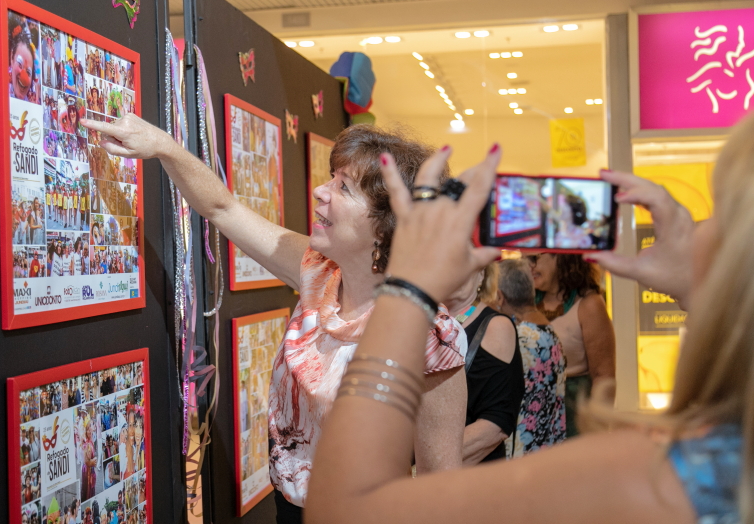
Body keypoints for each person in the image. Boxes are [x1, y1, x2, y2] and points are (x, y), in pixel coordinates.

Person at [305, 125, 749, 524]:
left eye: (722, 213)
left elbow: (344, 511)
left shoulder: (676, 479)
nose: (700, 228)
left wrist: (408, 285)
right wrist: (705, 284)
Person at [82, 114, 469, 523]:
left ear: (386, 226)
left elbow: (439, 490)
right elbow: (222, 208)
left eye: (344, 187)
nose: (321, 191)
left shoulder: (429, 338)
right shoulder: (318, 272)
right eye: (332, 178)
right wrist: (163, 146)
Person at [528, 252, 615, 436]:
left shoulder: (589, 305)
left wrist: (596, 429)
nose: (529, 266)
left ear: (560, 256)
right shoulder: (524, 301)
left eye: (534, 258)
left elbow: (604, 377)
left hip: (573, 416)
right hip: (530, 417)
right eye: (524, 260)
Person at [444, 263, 523, 465]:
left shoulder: (496, 327)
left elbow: (494, 425)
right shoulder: (424, 321)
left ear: (481, 275)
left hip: (467, 473)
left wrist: (426, 466)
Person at [494, 258, 566, 458]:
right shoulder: (549, 331)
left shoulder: (519, 338)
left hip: (522, 452)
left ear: (500, 297)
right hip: (548, 449)